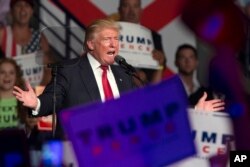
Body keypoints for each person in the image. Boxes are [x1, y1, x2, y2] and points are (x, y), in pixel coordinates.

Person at [13, 19, 137, 139]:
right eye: (107, 39)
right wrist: (37, 103)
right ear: (91, 44)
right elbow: (53, 98)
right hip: (83, 150)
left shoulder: (124, 74)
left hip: (122, 148)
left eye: (116, 39)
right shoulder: (69, 71)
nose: (113, 44)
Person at [117, 0, 172, 84]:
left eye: (135, 6)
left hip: (143, 90)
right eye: (126, 6)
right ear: (119, 10)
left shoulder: (153, 36)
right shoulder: (106, 34)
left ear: (141, 11)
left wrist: (161, 60)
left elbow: (160, 66)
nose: (131, 12)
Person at [0, 0, 53, 86]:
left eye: (27, 6)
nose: (23, 9)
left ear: (32, 11)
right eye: (18, 5)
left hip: (33, 96)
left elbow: (50, 69)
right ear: (12, 10)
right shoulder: (3, 34)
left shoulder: (39, 38)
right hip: (8, 96)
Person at [174, 44, 225, 109]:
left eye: (191, 57)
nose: (187, 61)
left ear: (197, 62)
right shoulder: (168, 89)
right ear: (176, 62)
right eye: (182, 57)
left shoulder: (206, 92)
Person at [0, 58, 27, 129]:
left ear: (16, 76)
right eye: (2, 72)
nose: (7, 76)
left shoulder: (25, 100)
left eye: (11, 72)